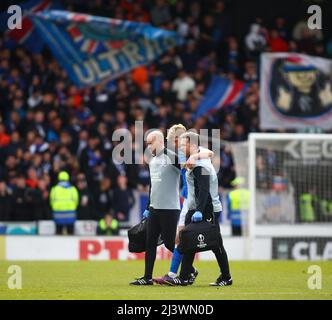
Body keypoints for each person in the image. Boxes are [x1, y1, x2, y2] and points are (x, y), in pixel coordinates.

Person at [165, 132, 232, 286]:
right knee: (188, 240)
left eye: (183, 144)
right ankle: (184, 276)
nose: (181, 148)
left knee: (215, 244)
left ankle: (226, 277)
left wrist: (200, 211)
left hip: (207, 208)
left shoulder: (200, 165)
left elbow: (204, 190)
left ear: (193, 145)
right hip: (195, 207)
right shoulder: (196, 158)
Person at [153, 124, 214, 285]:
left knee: (183, 238)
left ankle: (179, 274)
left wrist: (194, 157)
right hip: (187, 200)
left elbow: (209, 152)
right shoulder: (177, 155)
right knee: (180, 238)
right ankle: (185, 272)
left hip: (195, 202)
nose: (172, 143)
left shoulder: (193, 152)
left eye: (173, 140)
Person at [130, 130, 181, 285]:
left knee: (169, 243)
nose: (148, 145)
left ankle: (189, 269)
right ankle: (147, 277)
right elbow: (153, 186)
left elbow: (183, 165)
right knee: (150, 242)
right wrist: (148, 206)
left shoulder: (171, 157)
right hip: (155, 207)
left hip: (170, 208)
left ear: (160, 142)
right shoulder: (152, 161)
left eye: (150, 142)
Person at [49, 171, 79, 235]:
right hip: (70, 215)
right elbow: (76, 201)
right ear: (68, 179)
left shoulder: (54, 189)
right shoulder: (73, 189)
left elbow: (51, 202)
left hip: (58, 215)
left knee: (58, 233)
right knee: (70, 234)